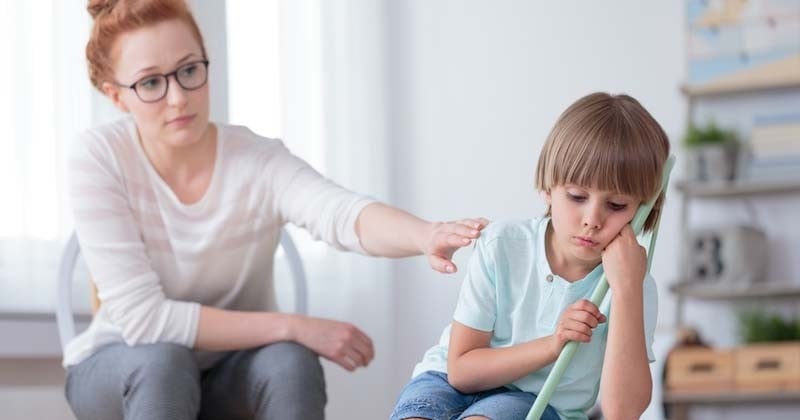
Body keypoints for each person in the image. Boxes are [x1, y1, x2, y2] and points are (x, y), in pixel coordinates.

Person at [64, 1, 488, 419]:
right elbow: (145, 321)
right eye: (151, 83)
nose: (178, 97)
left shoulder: (256, 159)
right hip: (122, 365)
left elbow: (339, 212)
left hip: (229, 369)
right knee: (164, 362)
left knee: (290, 363)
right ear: (116, 96)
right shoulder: (99, 157)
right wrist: (294, 325)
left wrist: (425, 235)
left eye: (190, 71)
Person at [390, 92, 670, 420]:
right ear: (548, 189)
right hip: (448, 382)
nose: (592, 219)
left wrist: (625, 290)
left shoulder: (632, 285)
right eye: (577, 196)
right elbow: (462, 372)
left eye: (617, 205)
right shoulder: (502, 245)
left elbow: (622, 413)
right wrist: (553, 345)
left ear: (643, 210)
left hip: (539, 402)